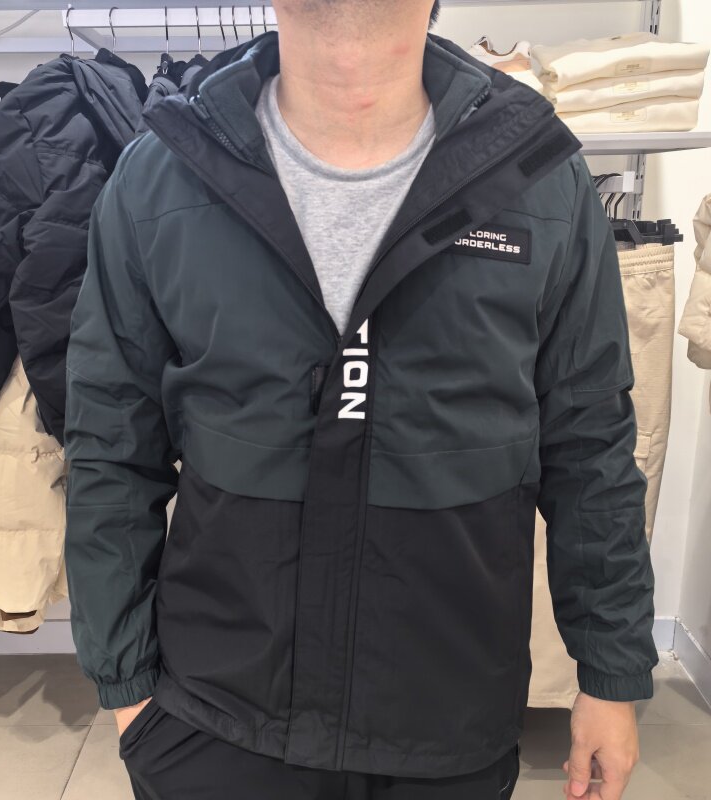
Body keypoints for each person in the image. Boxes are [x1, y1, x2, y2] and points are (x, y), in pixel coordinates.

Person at [63, 2, 658, 798]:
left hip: (447, 733)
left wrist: (610, 672)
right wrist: (128, 690)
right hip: (211, 729)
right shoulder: (163, 173)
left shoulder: (537, 176)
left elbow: (590, 446)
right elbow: (109, 444)